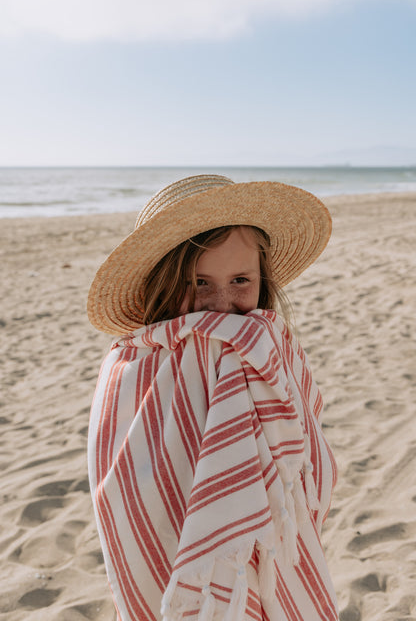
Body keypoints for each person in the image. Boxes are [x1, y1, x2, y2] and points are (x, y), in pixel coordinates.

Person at [87, 175, 339, 621]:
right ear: (162, 284)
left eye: (241, 279)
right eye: (200, 283)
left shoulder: (264, 348)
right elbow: (122, 477)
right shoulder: (133, 363)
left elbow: (300, 455)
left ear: (264, 280)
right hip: (169, 532)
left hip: (259, 546)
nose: (222, 305)